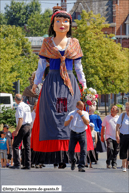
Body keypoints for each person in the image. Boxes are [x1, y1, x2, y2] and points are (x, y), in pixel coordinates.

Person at [31, 10, 87, 167]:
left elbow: (78, 66)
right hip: (52, 82)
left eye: (66, 21)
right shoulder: (47, 43)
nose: (62, 24)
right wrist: (36, 82)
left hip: (70, 83)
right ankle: (54, 155)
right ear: (52, 24)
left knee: (71, 114)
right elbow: (41, 65)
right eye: (58, 21)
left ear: (69, 25)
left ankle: (72, 153)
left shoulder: (74, 43)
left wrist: (84, 83)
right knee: (50, 115)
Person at [64, 101, 89, 172]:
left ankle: (81, 166)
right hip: (73, 133)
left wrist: (82, 115)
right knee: (70, 150)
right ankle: (73, 160)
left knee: (83, 150)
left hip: (82, 132)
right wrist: (70, 119)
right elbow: (65, 124)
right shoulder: (71, 113)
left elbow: (87, 123)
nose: (82, 107)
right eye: (81, 106)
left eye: (83, 106)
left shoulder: (85, 113)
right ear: (77, 106)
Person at [9, 94, 32, 169]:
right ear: (22, 98)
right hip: (29, 126)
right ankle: (28, 164)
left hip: (23, 126)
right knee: (27, 146)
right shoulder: (27, 106)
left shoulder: (19, 107)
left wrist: (16, 130)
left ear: (15, 100)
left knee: (15, 145)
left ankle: (17, 164)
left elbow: (20, 119)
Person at [116, 102, 129, 172]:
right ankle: (124, 166)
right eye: (126, 107)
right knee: (123, 151)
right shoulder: (123, 115)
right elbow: (117, 126)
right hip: (123, 135)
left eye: (128, 107)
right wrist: (117, 135)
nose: (127, 109)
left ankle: (127, 164)